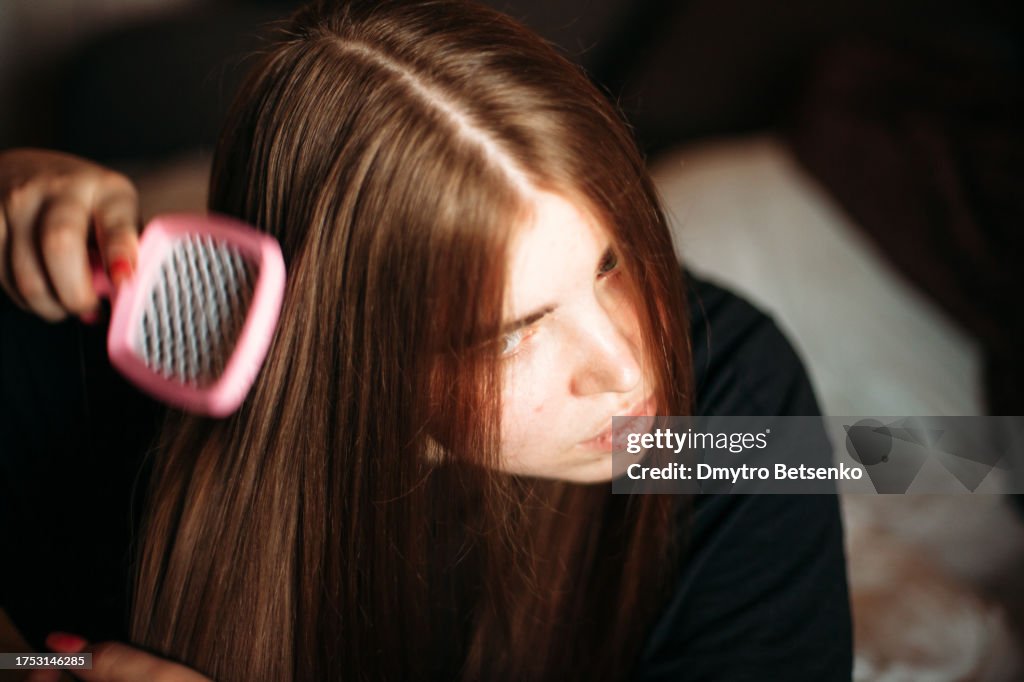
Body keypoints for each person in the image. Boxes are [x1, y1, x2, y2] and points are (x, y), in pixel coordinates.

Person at [0, 0, 853, 679]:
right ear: (343, 345)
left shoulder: (735, 396)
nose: (630, 370)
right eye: (515, 336)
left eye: (611, 261)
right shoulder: (85, 381)